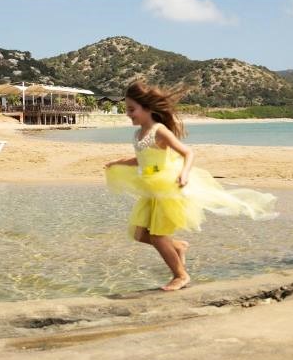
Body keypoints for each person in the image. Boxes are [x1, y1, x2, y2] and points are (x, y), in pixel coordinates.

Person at [105, 80, 277, 291]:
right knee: (138, 234)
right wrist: (117, 162)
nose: (128, 114)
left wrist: (184, 173)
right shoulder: (138, 134)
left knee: (158, 236)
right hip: (150, 189)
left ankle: (181, 275)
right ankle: (178, 246)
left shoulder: (159, 131)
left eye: (132, 109)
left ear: (147, 108)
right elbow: (142, 159)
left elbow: (188, 153)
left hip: (166, 188)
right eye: (127, 110)